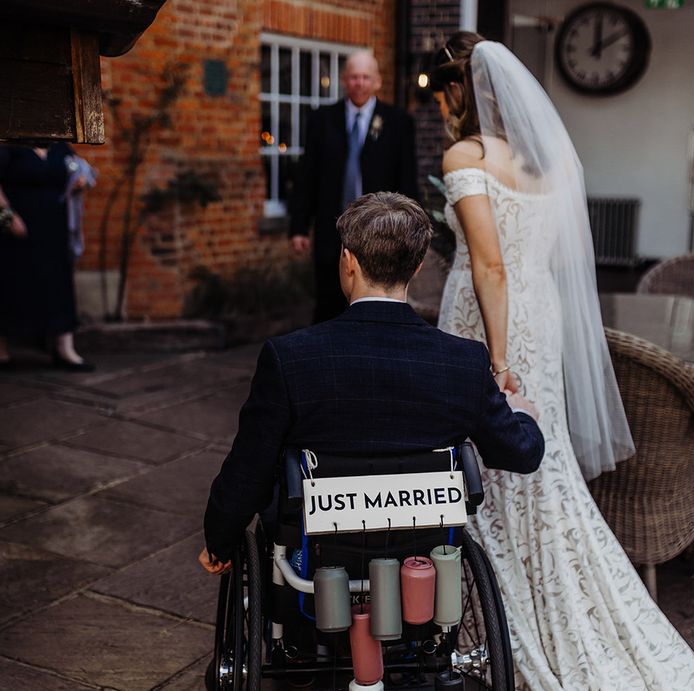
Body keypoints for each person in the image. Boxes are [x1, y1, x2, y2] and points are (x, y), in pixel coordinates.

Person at [431, 32, 694, 691]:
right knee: (533, 457)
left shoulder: (466, 153)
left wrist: (493, 355)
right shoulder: (553, 163)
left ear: (463, 93)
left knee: (480, 448)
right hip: (538, 316)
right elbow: (542, 258)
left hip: (488, 319)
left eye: (444, 92)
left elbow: (489, 263)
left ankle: (487, 609)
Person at [200, 191, 544, 571]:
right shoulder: (463, 361)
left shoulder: (291, 358)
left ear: (347, 260)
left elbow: (248, 470)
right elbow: (520, 453)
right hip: (421, 557)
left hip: (315, 556)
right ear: (416, 268)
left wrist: (220, 541)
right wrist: (521, 413)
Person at [289, 51, 418, 323]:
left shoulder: (398, 122)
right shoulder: (322, 119)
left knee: (376, 301)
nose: (359, 83)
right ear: (344, 80)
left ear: (377, 82)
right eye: (353, 77)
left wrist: (412, 230)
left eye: (365, 77)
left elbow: (407, 179)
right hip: (331, 227)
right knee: (327, 303)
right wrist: (299, 226)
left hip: (381, 230)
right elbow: (307, 174)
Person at [0, 143, 94, 370]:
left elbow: (78, 171)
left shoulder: (60, 147)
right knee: (11, 283)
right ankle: (1, 351)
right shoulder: (9, 145)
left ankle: (64, 349)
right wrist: (7, 216)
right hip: (16, 227)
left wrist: (80, 181)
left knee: (58, 282)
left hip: (54, 227)